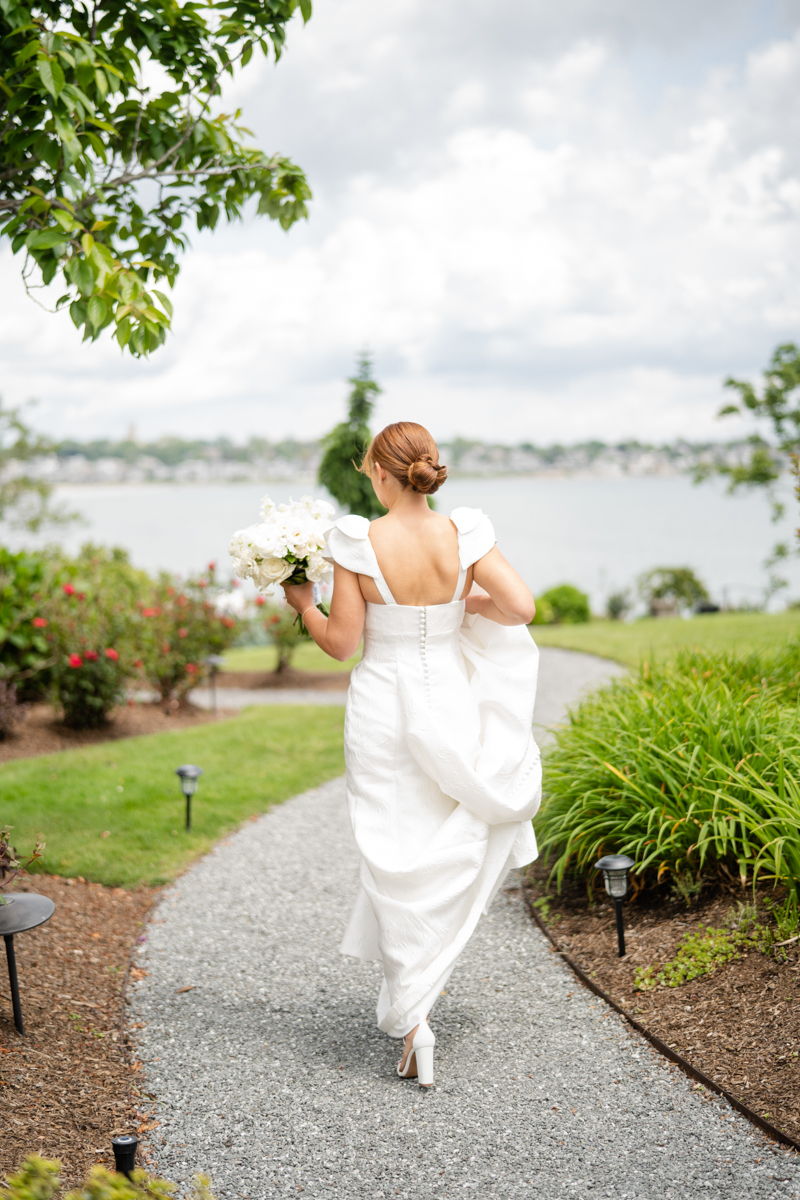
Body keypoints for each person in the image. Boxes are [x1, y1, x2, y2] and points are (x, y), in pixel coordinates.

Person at [282, 421, 542, 1089]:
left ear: (379, 472)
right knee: (443, 846)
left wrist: (302, 606)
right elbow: (521, 607)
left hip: (384, 709)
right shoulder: (465, 533)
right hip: (449, 698)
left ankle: (414, 1020)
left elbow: (342, 643)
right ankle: (416, 1009)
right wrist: (466, 602)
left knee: (391, 850)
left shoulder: (358, 540)